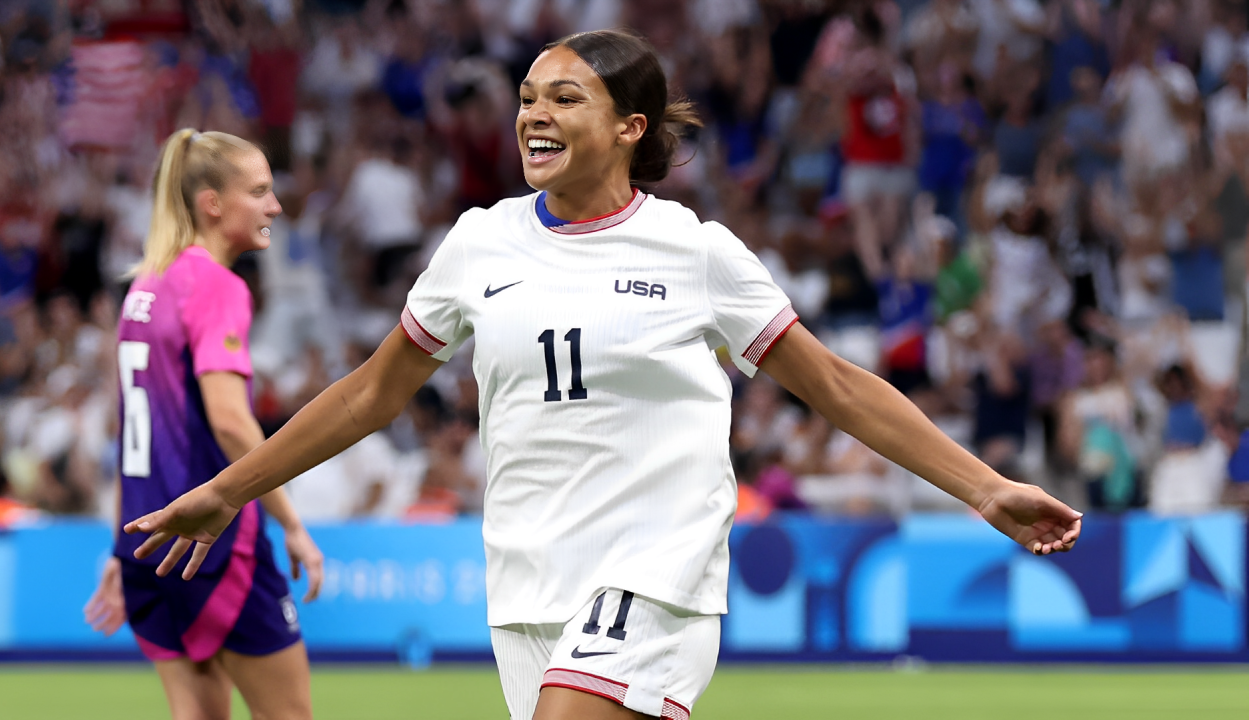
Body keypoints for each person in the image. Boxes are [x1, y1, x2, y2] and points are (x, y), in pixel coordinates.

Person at [124, 32, 1081, 720]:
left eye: (563, 98)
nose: (533, 114)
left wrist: (985, 486)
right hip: (528, 582)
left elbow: (833, 385)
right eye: (528, 97)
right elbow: (370, 395)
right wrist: (224, 491)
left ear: (630, 127)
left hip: (653, 575)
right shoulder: (478, 241)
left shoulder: (693, 250)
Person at [83, 129, 324, 720]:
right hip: (209, 548)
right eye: (261, 192)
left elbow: (134, 437)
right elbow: (231, 423)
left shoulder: (145, 286)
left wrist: (121, 548)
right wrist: (291, 523)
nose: (276, 206)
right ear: (213, 203)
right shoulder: (216, 285)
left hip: (146, 544)